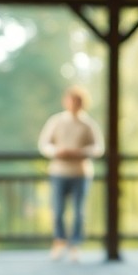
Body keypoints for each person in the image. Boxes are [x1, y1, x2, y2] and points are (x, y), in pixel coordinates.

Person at [37, 85, 104, 262]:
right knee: (58, 210)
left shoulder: (88, 124)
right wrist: (57, 151)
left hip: (80, 173)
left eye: (78, 101)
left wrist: (81, 153)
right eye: (72, 100)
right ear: (66, 101)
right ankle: (59, 242)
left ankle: (75, 245)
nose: (75, 104)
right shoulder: (56, 121)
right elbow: (44, 144)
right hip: (59, 171)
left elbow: (98, 148)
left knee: (78, 211)